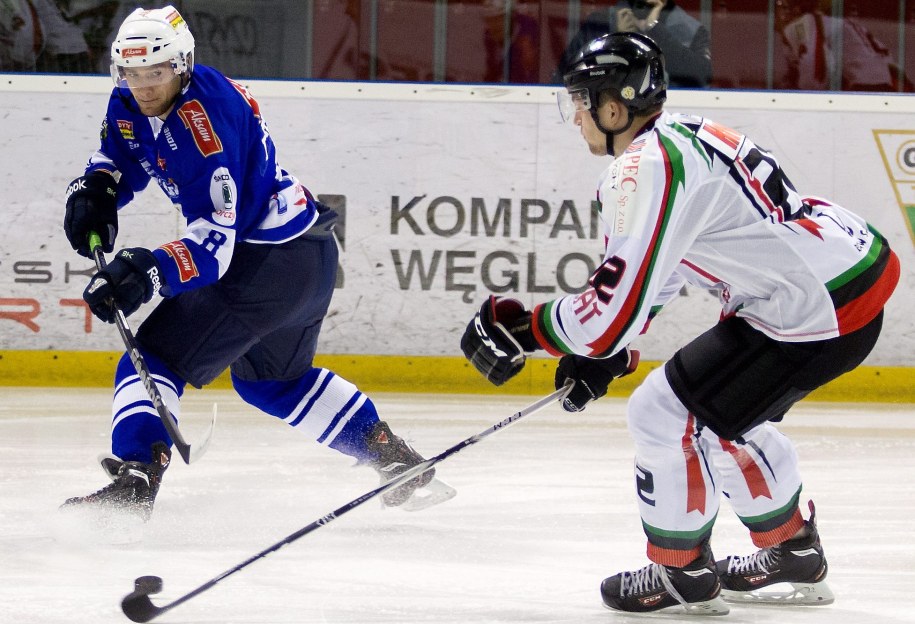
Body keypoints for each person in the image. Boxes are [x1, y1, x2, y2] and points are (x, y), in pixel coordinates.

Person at [462, 32, 899, 615]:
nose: (576, 118)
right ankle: (791, 551)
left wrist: (525, 331)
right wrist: (605, 350)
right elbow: (654, 276)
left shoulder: (645, 168)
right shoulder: (683, 137)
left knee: (664, 413)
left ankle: (680, 573)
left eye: (581, 102)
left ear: (614, 107)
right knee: (719, 418)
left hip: (812, 310)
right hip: (838, 283)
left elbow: (613, 310)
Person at [60, 6, 454, 521]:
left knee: (157, 358)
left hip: (266, 263)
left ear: (181, 65)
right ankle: (389, 454)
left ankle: (137, 477)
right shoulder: (133, 101)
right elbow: (121, 154)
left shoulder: (205, 128)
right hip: (307, 254)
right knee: (273, 382)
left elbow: (213, 248)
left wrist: (145, 271)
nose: (142, 86)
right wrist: (97, 188)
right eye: (130, 74)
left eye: (154, 73)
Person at [553, 0, 710, 88]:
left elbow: (701, 79)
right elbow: (565, 78)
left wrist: (654, 29)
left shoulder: (690, 30)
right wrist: (617, 39)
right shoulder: (602, 22)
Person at [776, 0, 911, 92]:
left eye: (784, 6)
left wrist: (804, 97)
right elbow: (892, 69)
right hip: (890, 92)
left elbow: (815, 71)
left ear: (796, 7)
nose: (780, 14)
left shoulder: (805, 23)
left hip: (863, 92)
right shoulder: (849, 27)